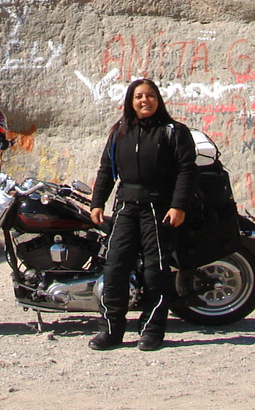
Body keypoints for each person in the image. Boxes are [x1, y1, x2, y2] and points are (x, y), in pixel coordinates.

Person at [87, 77, 196, 351]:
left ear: (158, 100)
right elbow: (106, 170)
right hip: (125, 207)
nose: (144, 101)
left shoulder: (174, 131)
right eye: (138, 97)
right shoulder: (119, 132)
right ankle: (110, 331)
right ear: (130, 102)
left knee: (155, 272)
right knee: (114, 269)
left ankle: (151, 332)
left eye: (149, 96)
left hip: (158, 209)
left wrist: (178, 205)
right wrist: (97, 203)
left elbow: (186, 170)